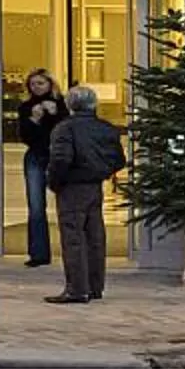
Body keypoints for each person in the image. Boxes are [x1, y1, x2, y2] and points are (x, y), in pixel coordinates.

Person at [41, 84, 125, 305]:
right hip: (94, 186)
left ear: (70, 105)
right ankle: (95, 286)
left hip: (72, 186)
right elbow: (118, 160)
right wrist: (101, 173)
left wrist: (54, 182)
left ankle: (77, 288)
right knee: (94, 236)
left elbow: (61, 160)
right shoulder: (106, 128)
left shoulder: (65, 129)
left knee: (73, 237)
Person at [15, 70, 66, 269]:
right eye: (33, 84)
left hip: (60, 157)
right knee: (36, 207)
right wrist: (34, 120)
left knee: (67, 205)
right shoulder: (26, 107)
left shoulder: (62, 104)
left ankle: (72, 250)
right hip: (36, 157)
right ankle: (38, 253)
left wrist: (55, 115)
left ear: (50, 84)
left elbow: (67, 131)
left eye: (40, 83)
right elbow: (24, 137)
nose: (36, 87)